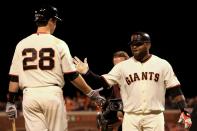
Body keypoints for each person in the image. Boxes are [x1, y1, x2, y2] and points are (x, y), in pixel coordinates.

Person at [5, 5, 105, 131]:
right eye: (55, 21)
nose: (55, 24)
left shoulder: (21, 44)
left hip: (29, 95)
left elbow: (14, 78)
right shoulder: (59, 43)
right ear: (51, 20)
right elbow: (72, 75)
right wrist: (91, 93)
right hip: (52, 94)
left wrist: (11, 101)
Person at [73, 32, 192, 131]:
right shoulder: (122, 67)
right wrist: (87, 72)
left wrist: (184, 110)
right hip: (131, 117)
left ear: (148, 45)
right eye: (132, 44)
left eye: (138, 44)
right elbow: (102, 82)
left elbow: (175, 89)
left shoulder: (162, 64)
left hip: (154, 116)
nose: (134, 47)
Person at [73, 51, 129, 131]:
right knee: (104, 118)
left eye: (120, 65)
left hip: (133, 118)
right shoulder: (113, 81)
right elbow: (99, 82)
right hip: (118, 121)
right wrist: (87, 73)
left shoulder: (136, 79)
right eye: (115, 66)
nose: (117, 68)